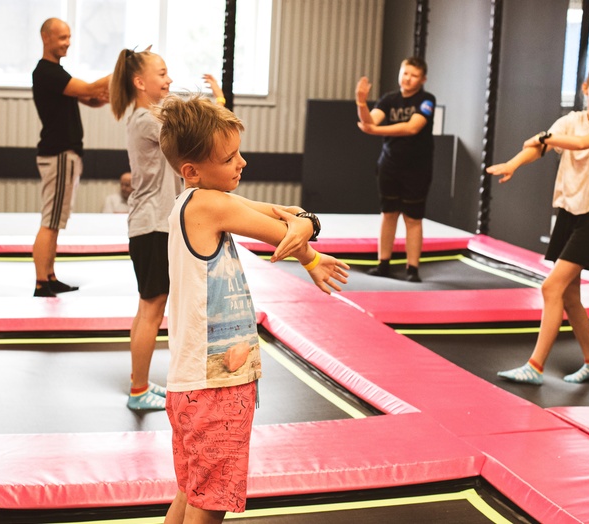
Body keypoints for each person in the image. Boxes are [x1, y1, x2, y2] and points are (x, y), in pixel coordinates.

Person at [155, 94, 350, 523]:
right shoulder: (211, 204)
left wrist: (305, 227)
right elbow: (282, 228)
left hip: (189, 384)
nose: (241, 162)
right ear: (192, 171)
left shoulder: (194, 204)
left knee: (190, 492)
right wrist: (310, 255)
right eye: (229, 158)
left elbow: (291, 218)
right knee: (212, 504)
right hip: (215, 385)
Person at [486, 60, 589, 385]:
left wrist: (544, 136)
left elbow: (578, 143)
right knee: (569, 296)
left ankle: (535, 367)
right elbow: (540, 148)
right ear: (586, 88)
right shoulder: (572, 120)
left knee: (551, 287)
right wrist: (513, 163)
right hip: (569, 214)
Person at [109, 47, 226, 410]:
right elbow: (197, 135)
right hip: (153, 226)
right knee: (152, 308)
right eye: (162, 73)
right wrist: (218, 102)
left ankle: (140, 383)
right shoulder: (146, 121)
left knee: (151, 307)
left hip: (156, 225)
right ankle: (139, 391)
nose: (169, 79)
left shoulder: (146, 117)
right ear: (140, 82)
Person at [31, 17, 111, 297]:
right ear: (46, 38)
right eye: (62, 37)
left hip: (65, 154)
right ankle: (42, 282)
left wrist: (111, 94)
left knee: (56, 220)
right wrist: (121, 73)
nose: (67, 43)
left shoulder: (57, 76)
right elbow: (89, 89)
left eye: (69, 37)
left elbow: (91, 99)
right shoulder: (47, 73)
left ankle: (49, 276)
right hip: (59, 154)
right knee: (51, 220)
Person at [355, 56, 436, 282]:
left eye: (414, 75)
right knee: (388, 214)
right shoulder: (389, 99)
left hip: (417, 169)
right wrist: (361, 103)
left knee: (413, 218)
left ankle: (412, 269)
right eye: (405, 73)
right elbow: (370, 120)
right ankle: (383, 264)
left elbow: (412, 128)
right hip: (389, 166)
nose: (408, 78)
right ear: (400, 73)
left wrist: (373, 130)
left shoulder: (426, 100)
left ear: (423, 79)